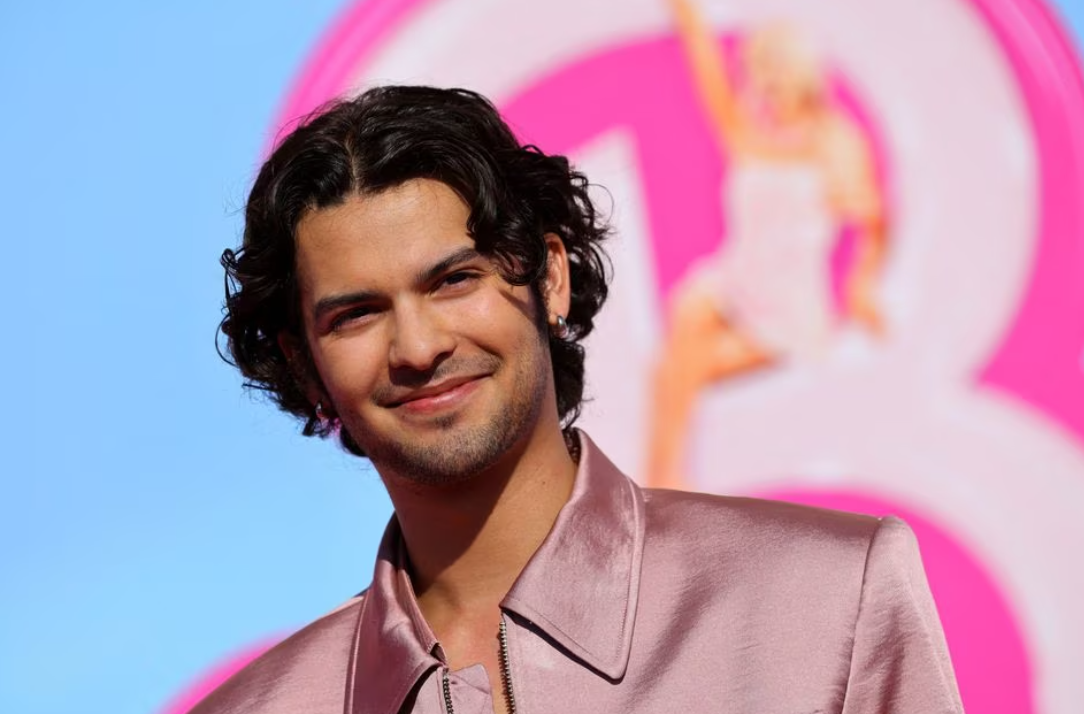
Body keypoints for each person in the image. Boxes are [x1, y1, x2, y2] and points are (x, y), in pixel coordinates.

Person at [194, 85, 962, 714]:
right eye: (357, 313)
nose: (418, 347)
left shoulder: (828, 603)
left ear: (550, 278)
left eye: (455, 280)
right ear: (302, 363)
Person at [647, 0, 889, 490]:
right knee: (686, 319)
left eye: (775, 77)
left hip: (787, 305)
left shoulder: (834, 142)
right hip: (737, 281)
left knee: (679, 369)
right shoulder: (748, 132)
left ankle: (662, 488)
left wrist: (862, 287)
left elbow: (874, 219)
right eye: (759, 76)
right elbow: (706, 66)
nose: (765, 90)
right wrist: (688, 15)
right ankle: (663, 483)